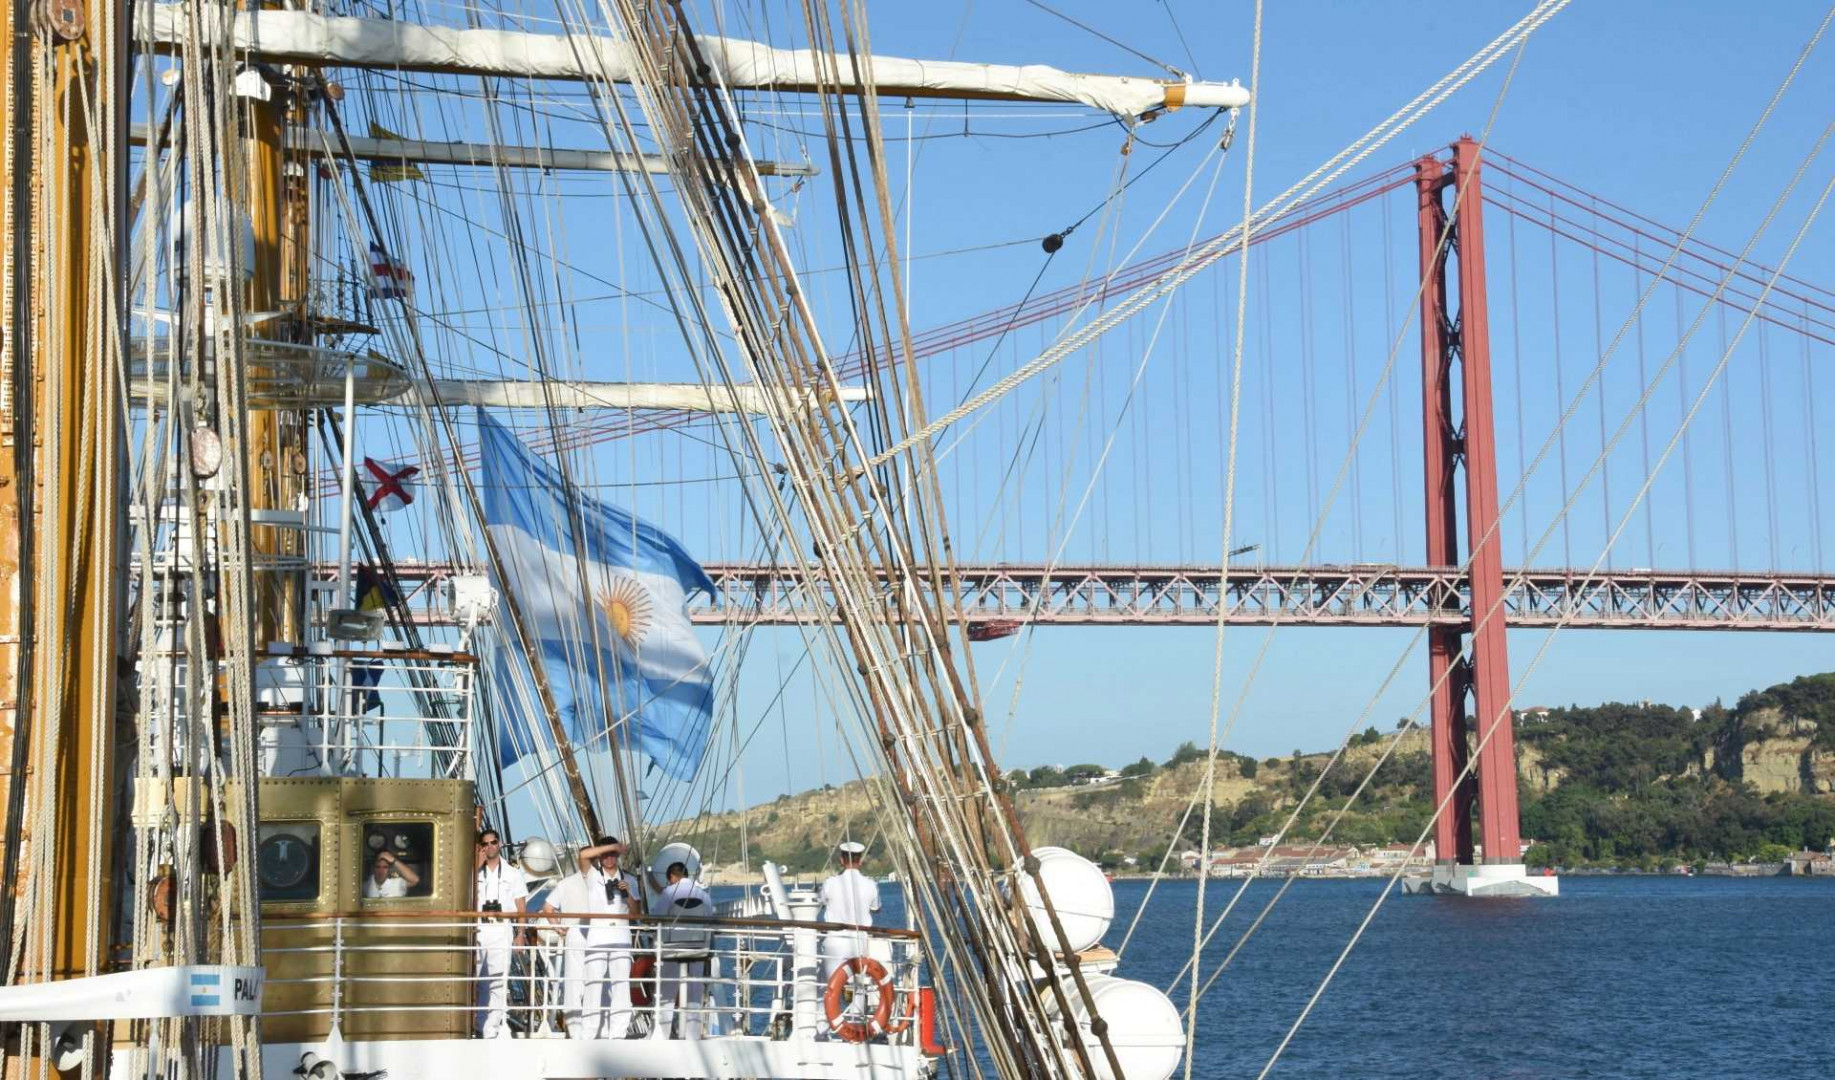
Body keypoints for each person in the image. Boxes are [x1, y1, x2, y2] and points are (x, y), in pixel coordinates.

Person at [543, 836, 642, 1039]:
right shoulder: (593, 876)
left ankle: (618, 1032)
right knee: (593, 984)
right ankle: (588, 1031)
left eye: (612, 854)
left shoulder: (629, 879)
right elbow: (583, 855)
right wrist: (611, 846)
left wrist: (628, 893)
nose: (608, 858)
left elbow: (635, 914)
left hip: (621, 933)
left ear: (617, 857)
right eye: (604, 854)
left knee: (620, 984)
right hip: (597, 933)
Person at [474, 828, 529, 1038]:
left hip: (502, 929)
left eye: (493, 842)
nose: (490, 846)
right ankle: (480, 1024)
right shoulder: (474, 873)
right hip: (479, 929)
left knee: (499, 979)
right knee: (480, 980)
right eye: (485, 843)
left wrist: (521, 934)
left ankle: (492, 1026)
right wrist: (476, 866)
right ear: (481, 847)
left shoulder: (512, 874)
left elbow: (521, 906)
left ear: (500, 844)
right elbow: (462, 891)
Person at [648, 861, 713, 1039]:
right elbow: (710, 917)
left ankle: (662, 1033)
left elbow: (656, 916)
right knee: (695, 990)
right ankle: (693, 1034)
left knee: (667, 990)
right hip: (698, 948)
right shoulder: (703, 894)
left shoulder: (669, 892)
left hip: (673, 948)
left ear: (672, 877)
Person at [819, 841, 880, 980]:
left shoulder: (830, 883)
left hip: (834, 944)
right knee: (859, 988)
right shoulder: (870, 884)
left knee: (832, 986)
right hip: (859, 944)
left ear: (842, 860)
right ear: (860, 861)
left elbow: (820, 901)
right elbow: (876, 908)